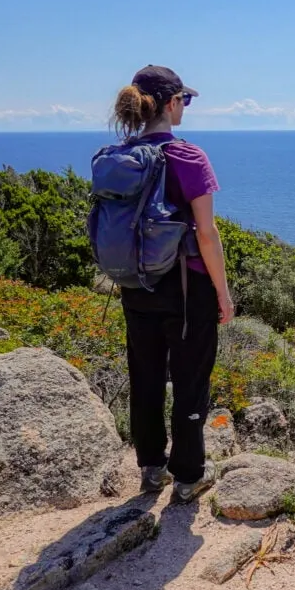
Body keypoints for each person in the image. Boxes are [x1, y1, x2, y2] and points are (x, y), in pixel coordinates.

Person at [110, 65, 234, 503]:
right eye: (185, 99)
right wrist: (222, 292)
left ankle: (150, 469)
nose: (186, 107)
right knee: (190, 379)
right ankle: (187, 477)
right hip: (187, 289)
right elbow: (206, 233)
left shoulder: (121, 158)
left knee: (144, 377)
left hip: (135, 284)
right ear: (169, 103)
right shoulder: (188, 157)